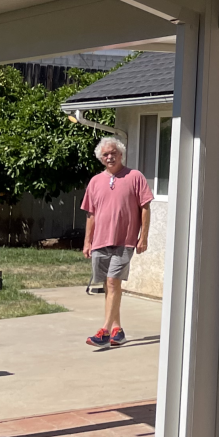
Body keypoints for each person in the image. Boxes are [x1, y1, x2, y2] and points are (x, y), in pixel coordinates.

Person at [80, 137, 151, 347]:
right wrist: (87, 242)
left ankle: (104, 331)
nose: (109, 157)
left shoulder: (135, 176)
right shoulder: (95, 181)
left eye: (113, 153)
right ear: (101, 158)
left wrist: (143, 237)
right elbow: (90, 214)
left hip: (125, 240)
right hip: (100, 240)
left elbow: (145, 207)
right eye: (105, 154)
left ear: (121, 154)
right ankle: (117, 330)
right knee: (109, 285)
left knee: (112, 282)